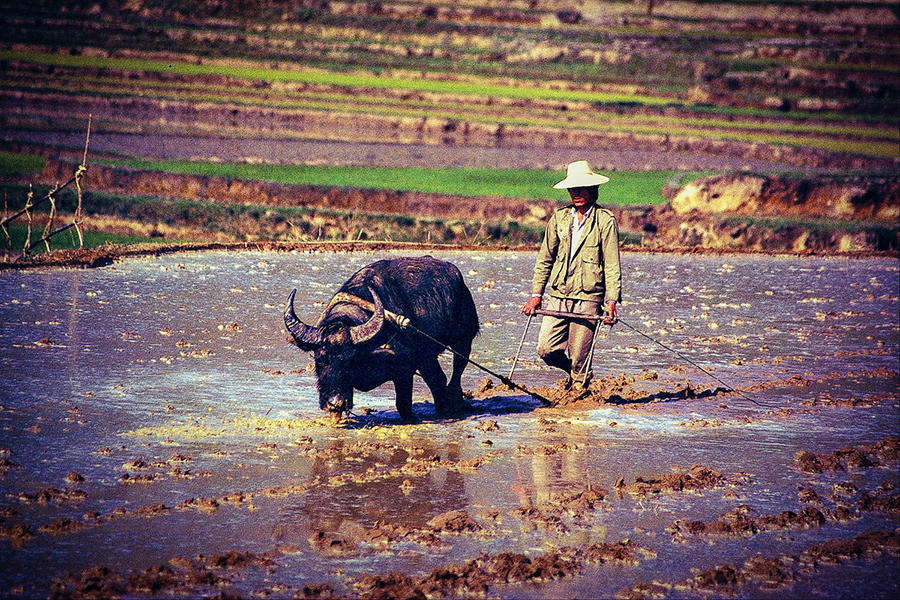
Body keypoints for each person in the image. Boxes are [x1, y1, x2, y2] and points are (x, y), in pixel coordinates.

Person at [521, 160, 622, 392]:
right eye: (572, 188)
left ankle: (578, 394)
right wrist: (536, 295)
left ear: (593, 189)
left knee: (579, 355)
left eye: (582, 187)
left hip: (588, 297)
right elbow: (545, 258)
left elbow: (612, 265)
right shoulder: (559, 218)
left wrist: (611, 301)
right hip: (558, 294)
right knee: (545, 349)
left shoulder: (605, 221)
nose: (576, 193)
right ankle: (575, 373)